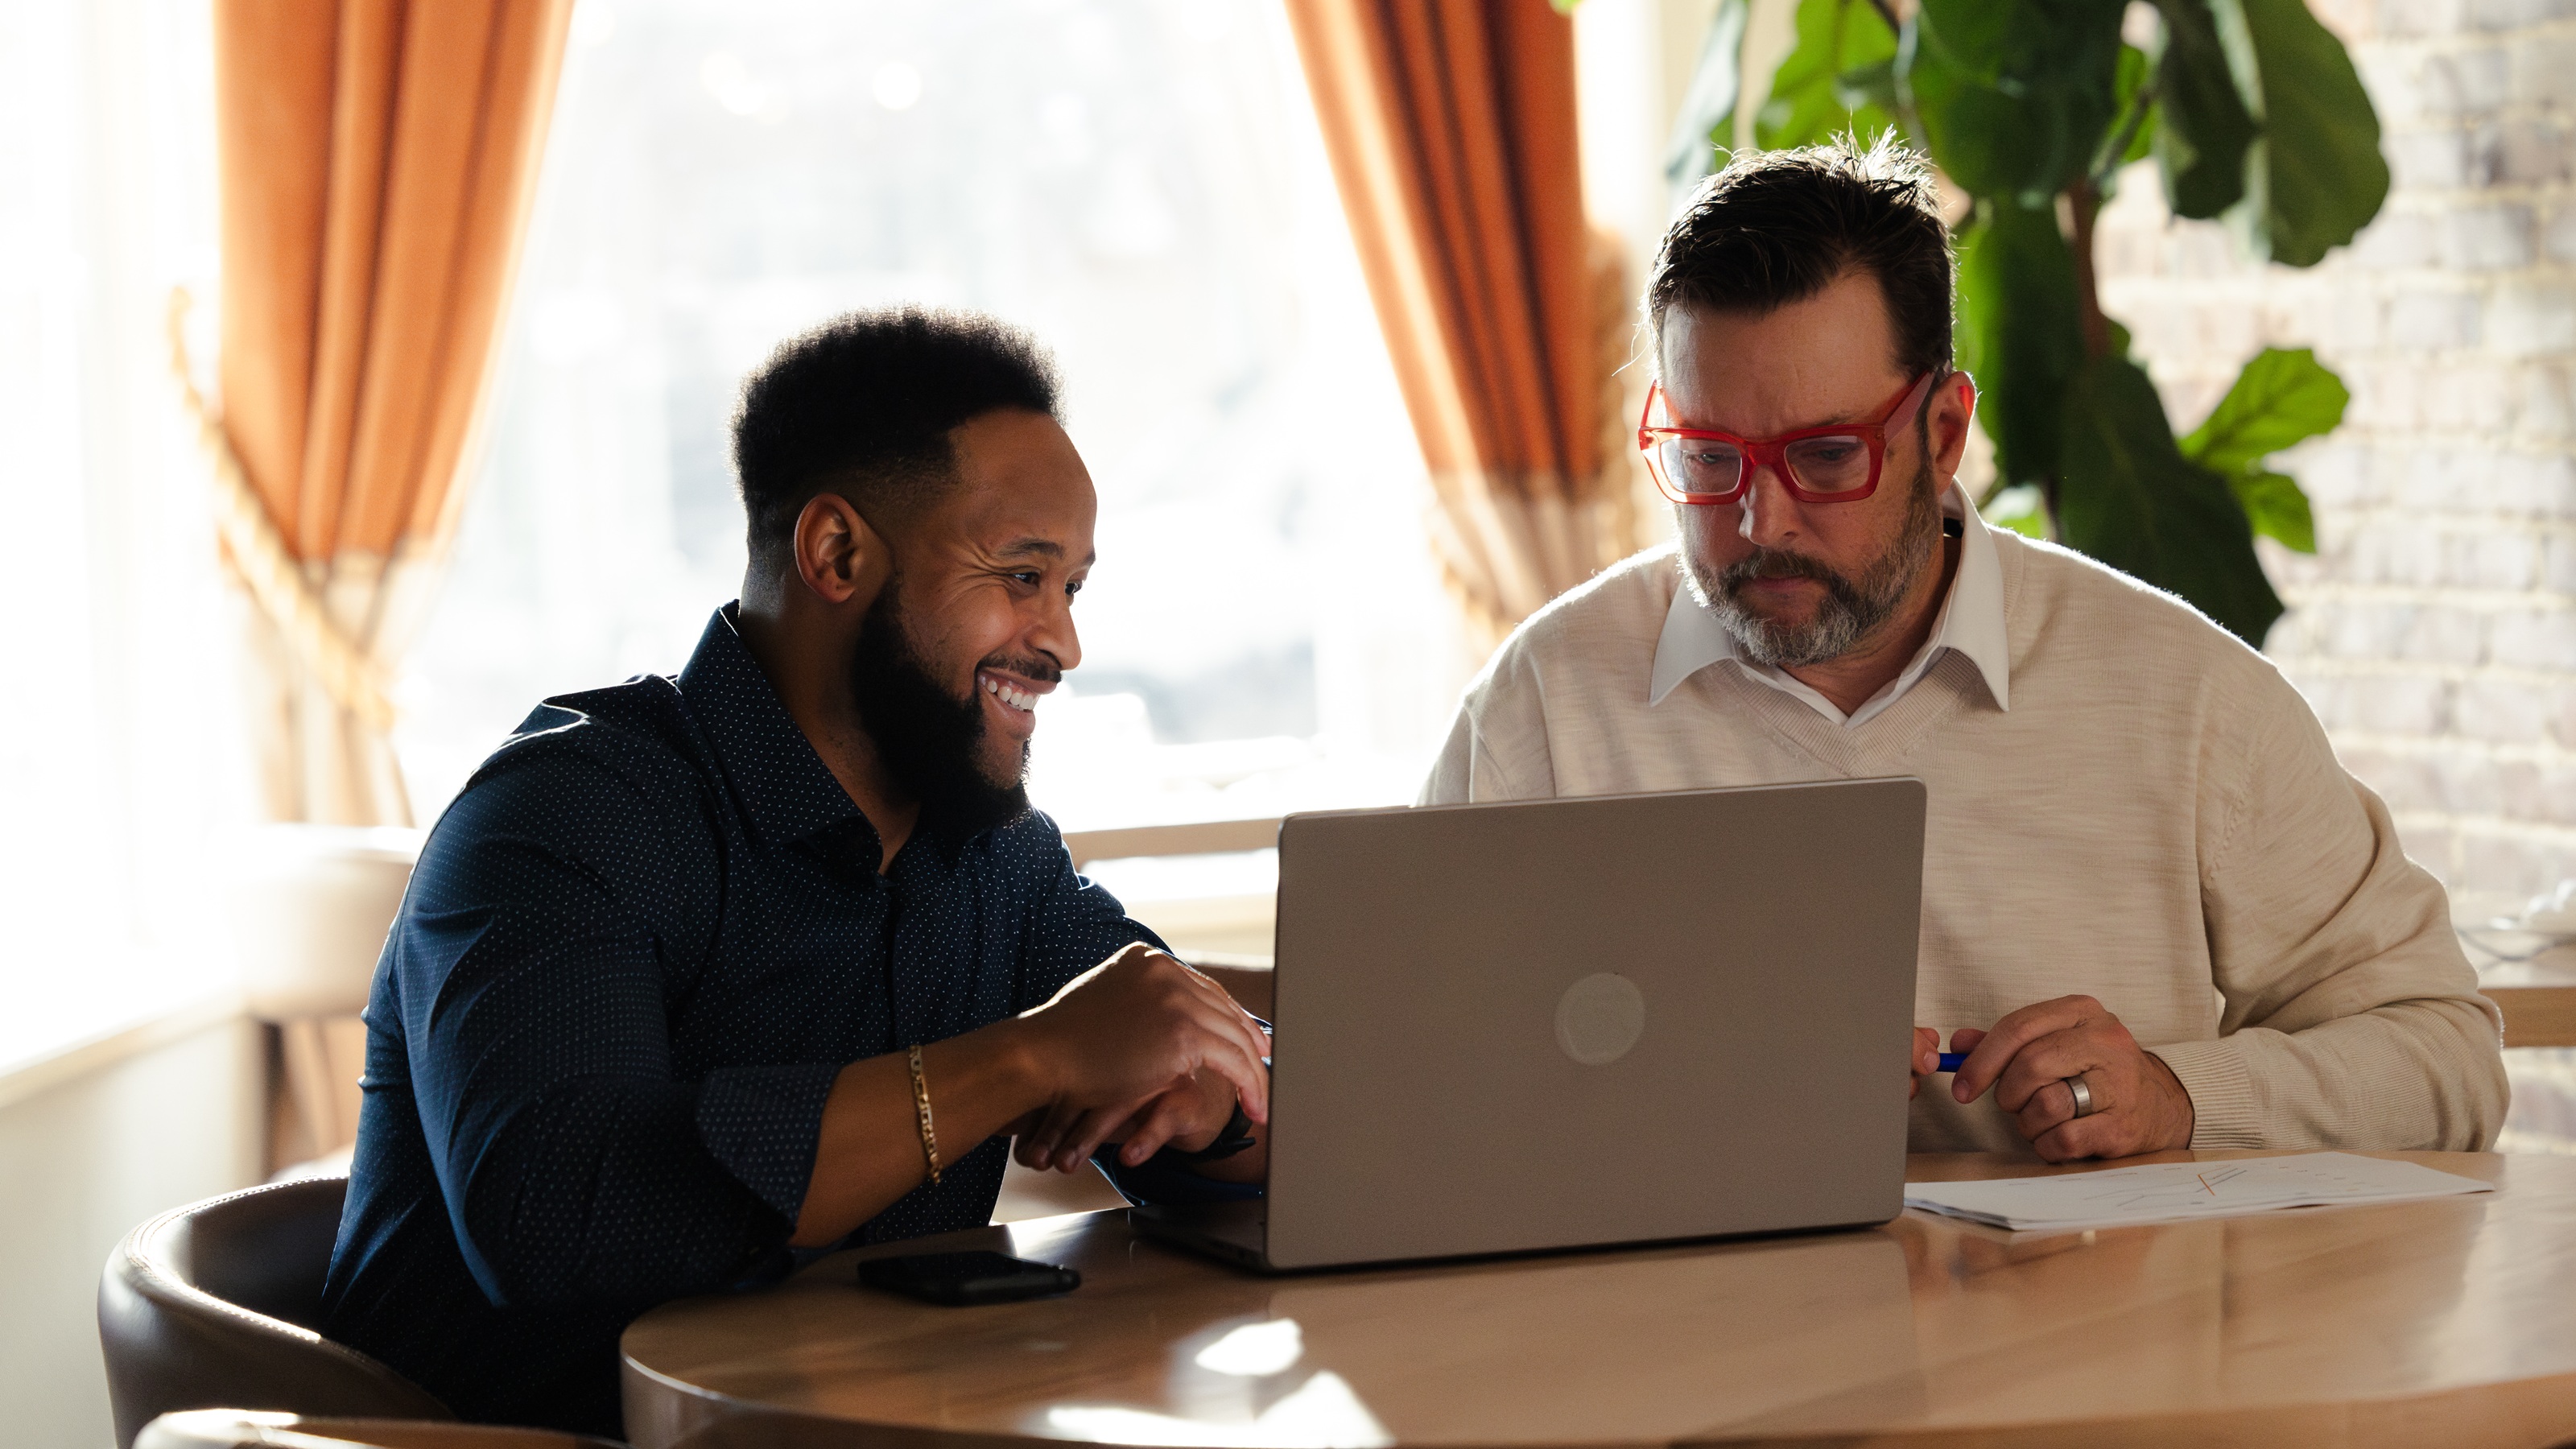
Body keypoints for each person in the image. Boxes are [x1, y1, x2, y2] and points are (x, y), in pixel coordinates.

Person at [1421, 137, 2507, 1161]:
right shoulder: (1546, 706)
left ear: (1942, 436)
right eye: (1708, 460)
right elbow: (1404, 1082)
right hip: (1665, 1351)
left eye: (1827, 455)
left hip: (2103, 1350)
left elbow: (2446, 1057)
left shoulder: (2189, 704)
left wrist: (2179, 1100)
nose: (1761, 523)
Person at [322, 309, 1270, 1436]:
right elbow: (562, 1222)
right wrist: (1029, 1057)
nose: (1062, 643)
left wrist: (1212, 1103)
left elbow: (1199, 1098)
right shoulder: (565, 817)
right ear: (836, 555)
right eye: (1022, 575)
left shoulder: (992, 852)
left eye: (1073, 588)